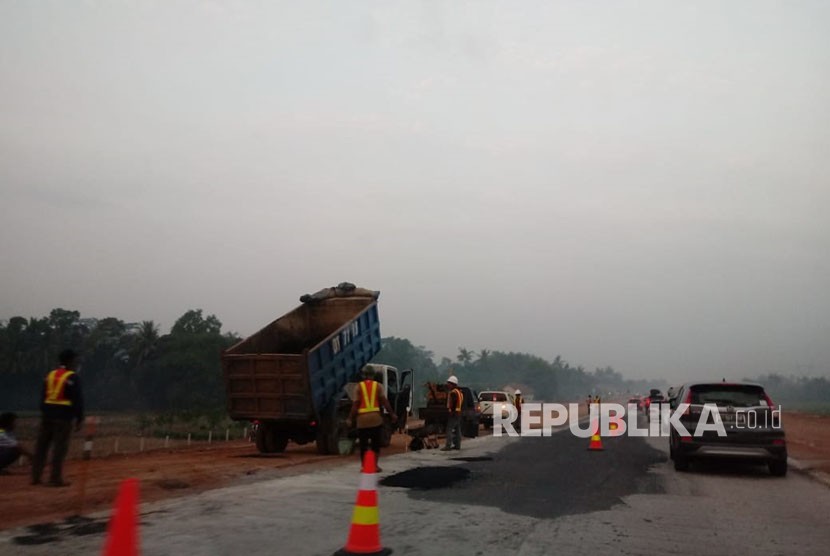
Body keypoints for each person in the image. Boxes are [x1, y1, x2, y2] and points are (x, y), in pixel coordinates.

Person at [31, 349, 84, 487]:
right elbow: (77, 399)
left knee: (41, 447)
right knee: (59, 449)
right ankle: (55, 478)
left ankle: (35, 477)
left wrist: (45, 412)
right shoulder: (72, 377)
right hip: (63, 418)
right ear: (69, 361)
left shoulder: (50, 375)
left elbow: (43, 397)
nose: (76, 363)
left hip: (47, 416)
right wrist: (79, 418)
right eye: (75, 360)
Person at [347, 366, 397, 471]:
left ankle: (364, 466)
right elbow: (385, 402)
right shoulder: (378, 386)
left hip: (362, 420)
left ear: (363, 375)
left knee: (363, 445)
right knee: (375, 444)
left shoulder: (358, 387)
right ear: (374, 375)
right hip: (375, 419)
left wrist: (350, 418)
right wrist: (392, 414)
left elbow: (355, 405)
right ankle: (375, 465)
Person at [441, 376, 463, 451]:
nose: (448, 385)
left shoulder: (453, 393)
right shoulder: (459, 392)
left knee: (449, 429)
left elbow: (452, 404)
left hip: (454, 414)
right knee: (457, 429)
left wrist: (450, 411)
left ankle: (448, 446)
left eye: (449, 384)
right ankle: (457, 445)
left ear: (453, 384)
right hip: (459, 413)